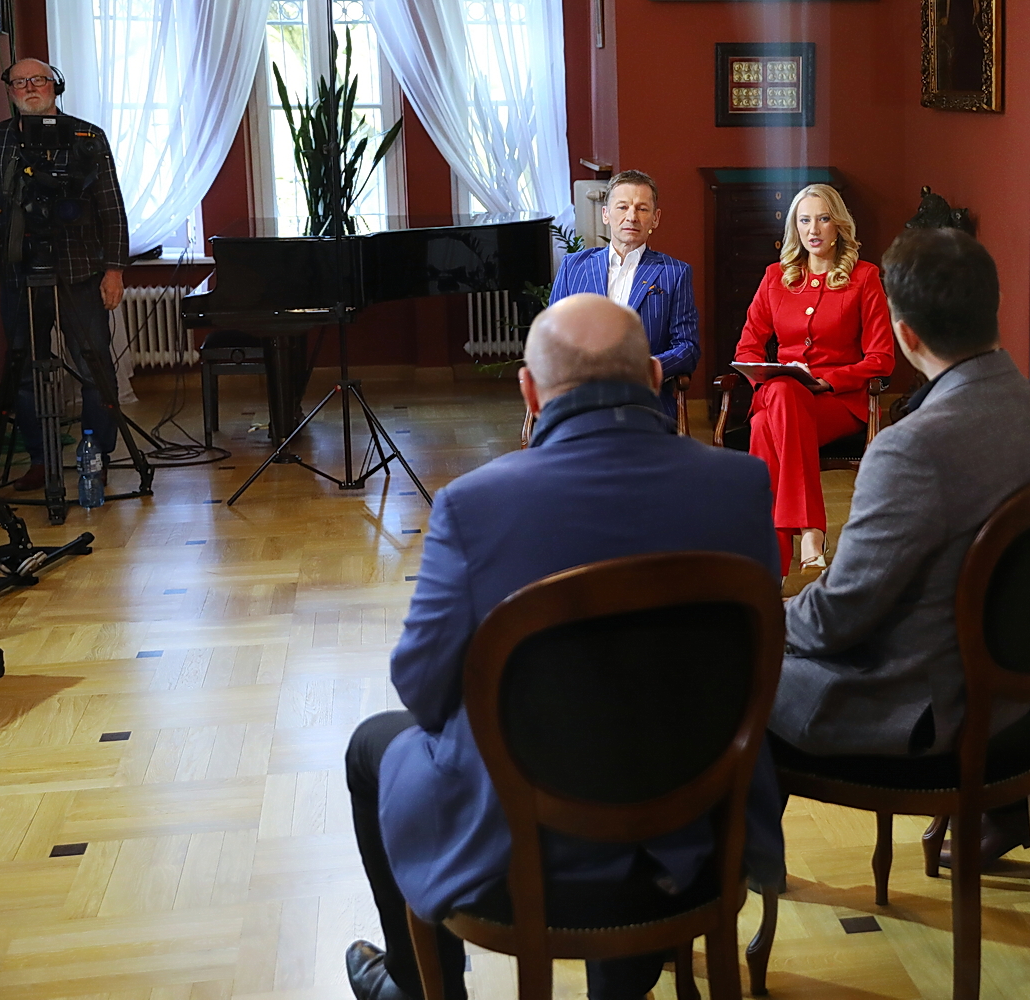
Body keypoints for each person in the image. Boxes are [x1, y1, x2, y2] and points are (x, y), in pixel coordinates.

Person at [342, 294, 786, 1000]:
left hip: (523, 845)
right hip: (693, 823)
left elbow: (423, 693)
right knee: (645, 714)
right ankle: (628, 975)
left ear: (530, 390)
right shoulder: (741, 484)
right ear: (652, 376)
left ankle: (419, 988)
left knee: (372, 745)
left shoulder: (474, 505)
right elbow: (760, 665)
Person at [770, 227, 1030, 764]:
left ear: (906, 336)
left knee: (721, 668)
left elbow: (838, 616)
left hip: (920, 706)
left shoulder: (908, 448)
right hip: (1012, 688)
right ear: (995, 306)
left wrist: (762, 615)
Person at [0, 58, 129, 491]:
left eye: (38, 80)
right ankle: (41, 459)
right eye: (19, 82)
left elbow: (111, 207)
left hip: (80, 269)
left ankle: (95, 455)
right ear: (10, 91)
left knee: (94, 366)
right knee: (24, 371)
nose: (29, 88)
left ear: (55, 85)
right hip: (19, 271)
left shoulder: (86, 136)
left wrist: (114, 269)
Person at [732, 184, 895, 576]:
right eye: (804, 220)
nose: (813, 229)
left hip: (837, 402)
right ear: (795, 227)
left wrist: (829, 380)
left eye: (823, 219)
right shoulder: (775, 277)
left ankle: (771, 557)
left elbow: (882, 358)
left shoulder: (864, 277)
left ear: (838, 225)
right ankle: (810, 532)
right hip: (779, 394)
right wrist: (766, 378)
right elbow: (747, 348)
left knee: (763, 427)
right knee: (782, 391)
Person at [549, 170, 699, 422]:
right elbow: (551, 337)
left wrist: (644, 368)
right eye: (622, 207)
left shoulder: (674, 273)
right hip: (581, 397)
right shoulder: (573, 267)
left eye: (642, 209)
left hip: (644, 400)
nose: (631, 217)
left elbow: (688, 348)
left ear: (655, 219)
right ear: (606, 214)